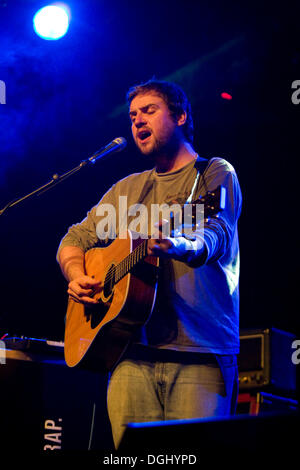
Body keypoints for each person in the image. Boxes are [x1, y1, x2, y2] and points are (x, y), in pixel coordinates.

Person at [57, 79, 242, 450]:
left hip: (199, 354)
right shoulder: (125, 189)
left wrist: (178, 245)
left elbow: (216, 232)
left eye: (149, 111)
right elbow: (74, 239)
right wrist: (77, 274)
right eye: (133, 115)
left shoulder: (213, 174)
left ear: (181, 115)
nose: (138, 121)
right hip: (128, 353)